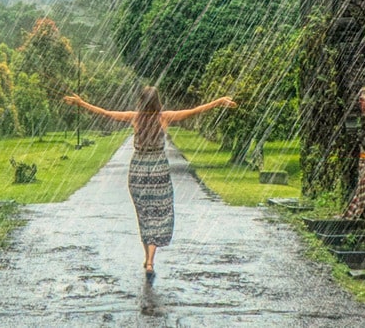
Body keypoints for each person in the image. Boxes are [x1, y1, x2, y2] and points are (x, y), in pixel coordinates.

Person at [63, 87, 236, 279]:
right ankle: (151, 261)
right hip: (158, 169)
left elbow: (105, 113)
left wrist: (81, 103)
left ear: (141, 101)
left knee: (144, 214)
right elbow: (196, 110)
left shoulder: (134, 117)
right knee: (158, 213)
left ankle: (148, 259)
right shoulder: (164, 117)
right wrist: (219, 101)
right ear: (157, 101)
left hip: (138, 170)